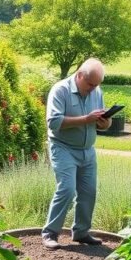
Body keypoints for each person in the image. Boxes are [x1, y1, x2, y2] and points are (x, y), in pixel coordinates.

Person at [41, 58, 111, 249]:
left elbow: (101, 121)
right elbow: (53, 122)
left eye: (96, 84)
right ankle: (50, 233)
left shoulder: (96, 91)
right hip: (63, 148)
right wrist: (86, 119)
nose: (93, 88)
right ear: (79, 75)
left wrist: (105, 123)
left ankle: (81, 233)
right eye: (90, 84)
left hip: (88, 151)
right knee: (67, 189)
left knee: (89, 193)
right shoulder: (60, 90)